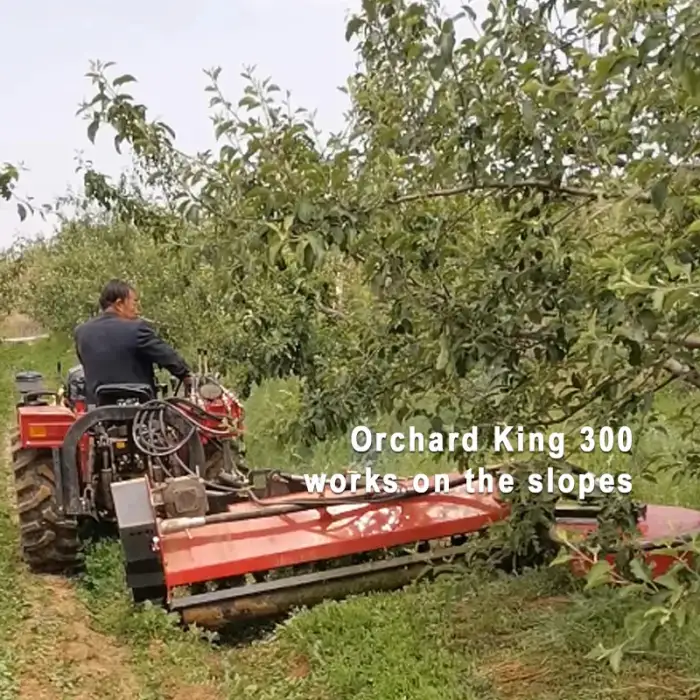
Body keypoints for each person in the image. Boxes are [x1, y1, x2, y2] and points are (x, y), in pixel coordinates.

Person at [74, 279, 192, 404]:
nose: (137, 310)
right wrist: (186, 375)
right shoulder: (136, 329)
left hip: (98, 413)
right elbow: (167, 356)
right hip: (138, 410)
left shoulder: (81, 332)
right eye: (134, 303)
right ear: (119, 304)